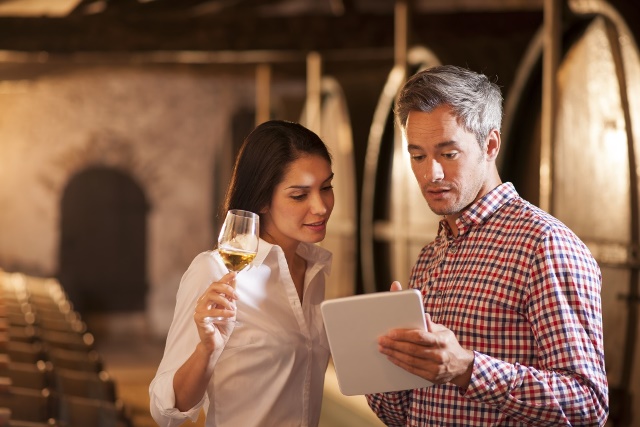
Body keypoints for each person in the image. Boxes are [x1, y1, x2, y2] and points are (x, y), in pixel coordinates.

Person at [366, 65, 609, 426]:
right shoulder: (430, 256)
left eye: (448, 154)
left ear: (490, 144)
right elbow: (410, 415)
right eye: (417, 156)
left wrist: (467, 369)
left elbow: (588, 405)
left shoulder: (544, 245)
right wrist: (386, 365)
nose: (430, 174)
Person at [149, 120, 335, 427]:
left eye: (326, 187)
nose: (321, 207)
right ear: (262, 199)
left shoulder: (314, 270)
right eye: (299, 195)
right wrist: (207, 350)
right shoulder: (212, 270)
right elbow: (164, 411)